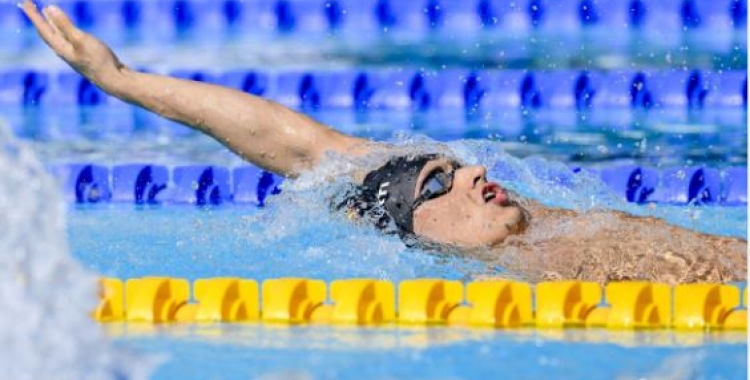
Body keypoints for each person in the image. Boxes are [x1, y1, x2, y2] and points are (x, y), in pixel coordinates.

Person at [21, 1, 746, 284]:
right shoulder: (526, 274)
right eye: (438, 185)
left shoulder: (538, 223)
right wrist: (112, 83)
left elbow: (303, 145)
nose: (475, 175)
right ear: (404, 233)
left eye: (458, 169)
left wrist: (124, 79)